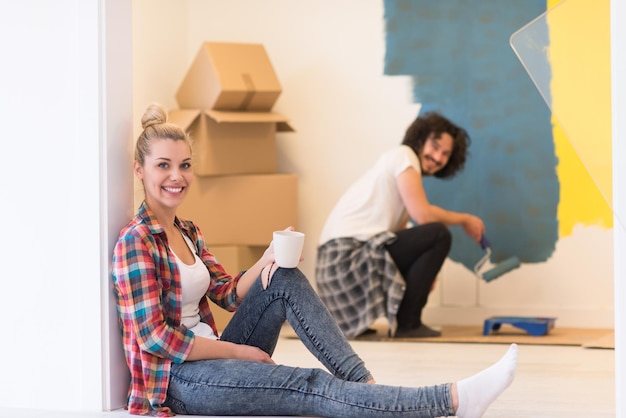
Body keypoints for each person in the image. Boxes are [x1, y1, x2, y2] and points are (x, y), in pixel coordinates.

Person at [112, 103, 517, 417]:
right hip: (181, 380)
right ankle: (453, 400)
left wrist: (270, 257)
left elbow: (228, 293)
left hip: (215, 352)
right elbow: (155, 339)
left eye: (184, 165)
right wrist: (238, 353)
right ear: (139, 171)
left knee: (283, 275)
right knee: (307, 384)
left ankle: (364, 384)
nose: (176, 176)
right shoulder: (137, 241)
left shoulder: (188, 230)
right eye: (162, 166)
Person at [316, 111, 485, 339]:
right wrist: (465, 219)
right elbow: (424, 216)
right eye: (434, 147)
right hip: (344, 261)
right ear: (420, 140)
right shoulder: (404, 156)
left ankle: (404, 323)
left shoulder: (398, 170)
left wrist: (426, 269)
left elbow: (401, 235)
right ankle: (409, 323)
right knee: (438, 234)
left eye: (445, 154)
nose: (438, 157)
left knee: (430, 238)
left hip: (334, 271)